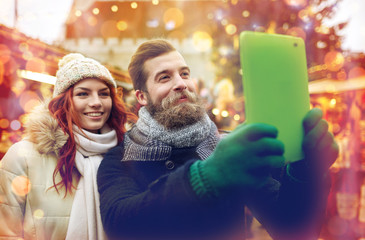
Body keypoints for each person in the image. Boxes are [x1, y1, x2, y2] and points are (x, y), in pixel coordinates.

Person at [97, 39, 339, 240]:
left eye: (184, 74)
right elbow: (121, 224)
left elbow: (293, 229)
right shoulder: (120, 157)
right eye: (164, 77)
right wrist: (207, 176)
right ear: (142, 96)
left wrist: (305, 171)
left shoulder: (227, 147)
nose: (181, 83)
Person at [0, 53, 135, 240]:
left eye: (104, 93)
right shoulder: (23, 157)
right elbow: (6, 233)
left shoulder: (127, 157)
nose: (96, 102)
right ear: (63, 102)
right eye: (83, 94)